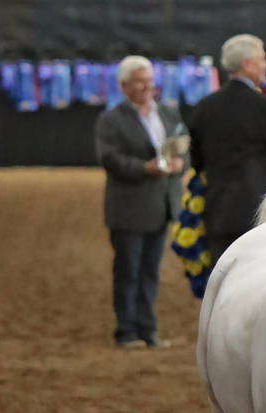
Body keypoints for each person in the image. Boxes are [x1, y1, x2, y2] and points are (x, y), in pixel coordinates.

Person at [95, 55, 186, 349]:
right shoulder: (111, 120)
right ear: (123, 86)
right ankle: (126, 331)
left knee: (149, 272)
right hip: (129, 209)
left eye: (149, 80)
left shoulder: (168, 114)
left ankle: (148, 330)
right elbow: (110, 159)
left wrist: (179, 163)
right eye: (139, 81)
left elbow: (185, 148)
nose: (147, 86)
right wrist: (145, 168)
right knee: (128, 271)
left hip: (161, 207)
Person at [188, 33, 266, 264]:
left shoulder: (204, 108)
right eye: (262, 59)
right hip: (260, 215)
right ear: (247, 64)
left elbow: (196, 161)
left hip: (219, 215)